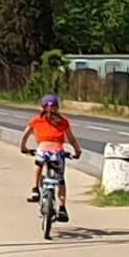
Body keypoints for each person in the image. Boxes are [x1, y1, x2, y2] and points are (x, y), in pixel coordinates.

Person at [18, 94, 82, 222]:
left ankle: (35, 189)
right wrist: (77, 151)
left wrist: (23, 148)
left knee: (38, 164)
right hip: (58, 152)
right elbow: (71, 139)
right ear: (57, 107)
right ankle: (62, 208)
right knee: (60, 180)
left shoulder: (36, 120)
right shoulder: (63, 121)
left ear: (42, 107)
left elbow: (24, 136)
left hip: (42, 150)